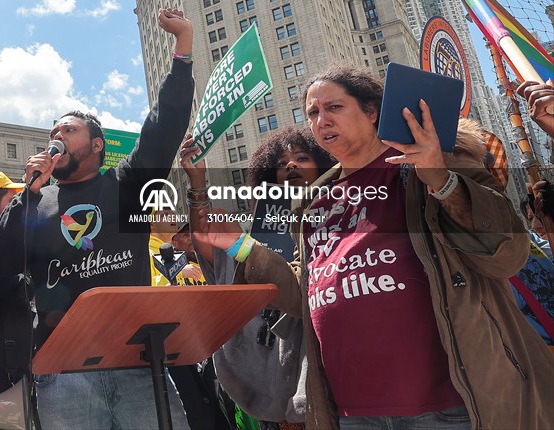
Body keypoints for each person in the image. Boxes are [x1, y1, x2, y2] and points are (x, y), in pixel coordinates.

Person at [190, 64, 554, 429]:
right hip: (353, 411)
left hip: (449, 406)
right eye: (313, 113)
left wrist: (439, 178)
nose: (321, 120)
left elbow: (507, 254)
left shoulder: (429, 164)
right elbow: (302, 292)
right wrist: (240, 246)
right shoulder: (313, 203)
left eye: (334, 107)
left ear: (371, 111)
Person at [0, 8, 195, 429]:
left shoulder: (126, 187)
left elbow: (163, 127)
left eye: (67, 131)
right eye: (52, 134)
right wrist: (26, 194)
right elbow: (2, 261)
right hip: (63, 369)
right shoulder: (36, 199)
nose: (56, 138)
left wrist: (183, 48)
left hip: (136, 362)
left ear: (97, 144)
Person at [184, 126, 332, 430]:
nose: (291, 165)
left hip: (324, 386)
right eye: (281, 163)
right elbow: (208, 240)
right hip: (265, 391)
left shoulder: (342, 218)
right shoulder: (253, 231)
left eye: (302, 157)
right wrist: (198, 182)